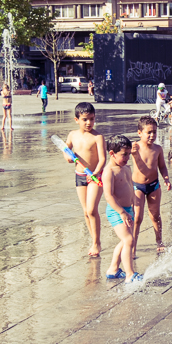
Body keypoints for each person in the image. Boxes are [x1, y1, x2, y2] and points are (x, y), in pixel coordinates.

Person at [65, 102, 107, 258]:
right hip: (80, 176)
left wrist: (95, 172)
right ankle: (94, 239)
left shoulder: (98, 137)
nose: (89, 122)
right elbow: (66, 149)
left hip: (95, 176)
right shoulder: (72, 135)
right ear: (76, 120)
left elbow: (103, 159)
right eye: (85, 119)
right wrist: (67, 157)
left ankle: (96, 243)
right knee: (85, 212)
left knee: (91, 210)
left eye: (92, 119)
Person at [102, 134, 143, 283]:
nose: (127, 158)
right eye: (124, 155)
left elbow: (129, 186)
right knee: (128, 240)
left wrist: (134, 201)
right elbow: (109, 196)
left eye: (128, 154)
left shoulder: (126, 167)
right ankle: (130, 274)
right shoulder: (109, 171)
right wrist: (121, 212)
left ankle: (113, 269)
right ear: (112, 154)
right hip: (116, 211)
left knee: (125, 241)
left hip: (127, 210)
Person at [131, 116, 172, 255]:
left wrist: (166, 179)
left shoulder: (158, 149)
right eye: (148, 132)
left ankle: (159, 240)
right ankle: (133, 246)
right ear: (139, 133)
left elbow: (162, 166)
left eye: (154, 132)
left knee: (155, 215)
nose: (152, 135)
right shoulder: (135, 148)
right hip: (137, 186)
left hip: (154, 185)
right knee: (137, 217)